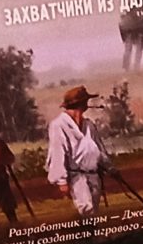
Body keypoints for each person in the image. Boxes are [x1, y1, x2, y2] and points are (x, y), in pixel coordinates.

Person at [44, 85, 107, 215]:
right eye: (85, 101)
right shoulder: (58, 125)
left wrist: (109, 166)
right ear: (81, 104)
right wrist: (62, 180)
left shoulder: (89, 125)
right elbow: (57, 152)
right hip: (77, 177)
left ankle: (91, 228)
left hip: (94, 175)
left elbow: (99, 148)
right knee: (87, 209)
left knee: (94, 210)